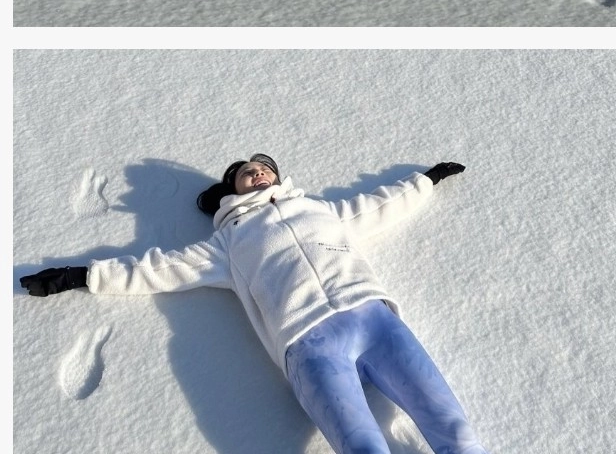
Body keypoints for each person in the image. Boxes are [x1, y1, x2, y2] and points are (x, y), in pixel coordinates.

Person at [20, 154, 490, 454]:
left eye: (264, 165)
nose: (257, 169)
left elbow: (379, 204)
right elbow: (157, 267)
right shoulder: (229, 243)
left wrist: (425, 181)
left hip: (375, 319)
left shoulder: (321, 210)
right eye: (246, 169)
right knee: (363, 447)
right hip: (308, 347)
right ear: (232, 188)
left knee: (454, 428)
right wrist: (83, 274)